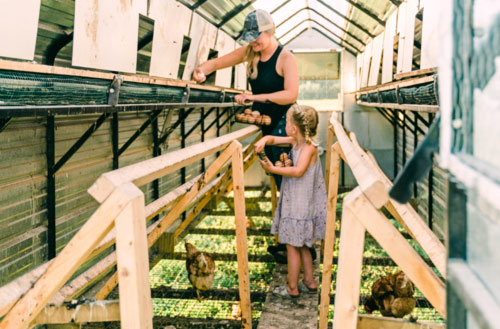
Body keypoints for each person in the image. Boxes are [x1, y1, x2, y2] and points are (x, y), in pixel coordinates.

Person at [192, 9, 299, 189]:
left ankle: (294, 216)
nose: (252, 41)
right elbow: (218, 63)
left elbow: (290, 95)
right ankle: (285, 216)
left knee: (288, 181)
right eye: (249, 37)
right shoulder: (250, 52)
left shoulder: (286, 58)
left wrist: (254, 98)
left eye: (256, 36)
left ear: (270, 32)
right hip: (267, 125)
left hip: (284, 126)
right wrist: (201, 70)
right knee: (279, 179)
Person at [254, 104, 327, 298]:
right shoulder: (297, 140)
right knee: (303, 244)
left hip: (299, 207)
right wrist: (265, 140)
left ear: (294, 128)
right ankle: (309, 281)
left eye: (286, 121)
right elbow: (274, 139)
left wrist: (272, 169)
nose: (284, 124)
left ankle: (292, 287)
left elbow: (298, 171)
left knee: (291, 246)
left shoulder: (309, 148)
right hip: (299, 203)